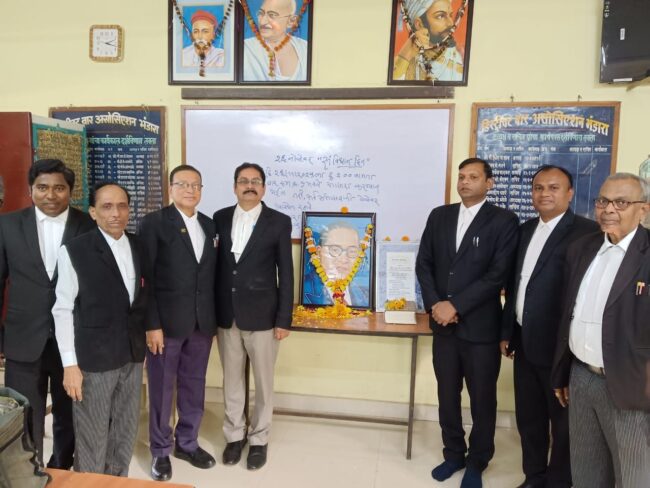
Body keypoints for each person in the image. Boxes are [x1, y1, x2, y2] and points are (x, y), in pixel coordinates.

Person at [415, 158, 518, 488]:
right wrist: (436, 304)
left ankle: (477, 461)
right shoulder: (439, 215)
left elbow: (497, 274)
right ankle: (454, 454)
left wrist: (455, 305)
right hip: (443, 326)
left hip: (481, 328)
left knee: (482, 399)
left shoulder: (504, 220)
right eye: (461, 176)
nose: (464, 182)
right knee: (447, 394)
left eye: (473, 177)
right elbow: (424, 264)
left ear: (489, 183)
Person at [500, 166, 599, 488]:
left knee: (563, 425)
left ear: (570, 193)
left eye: (553, 188)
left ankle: (558, 482)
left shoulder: (587, 233)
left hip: (560, 349)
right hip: (524, 342)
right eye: (538, 187)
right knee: (529, 419)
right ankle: (534, 477)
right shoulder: (525, 229)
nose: (544, 194)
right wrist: (507, 332)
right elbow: (516, 285)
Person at [551, 173, 650, 488]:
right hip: (581, 376)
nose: (608, 209)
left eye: (621, 202)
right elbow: (567, 314)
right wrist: (562, 373)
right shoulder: (582, 248)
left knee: (632, 475)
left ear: (643, 210)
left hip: (630, 384)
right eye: (603, 201)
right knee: (586, 470)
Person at [0, 159, 95, 468]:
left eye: (59, 188)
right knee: (25, 411)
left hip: (74, 341)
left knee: (69, 412)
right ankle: (30, 470)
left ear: (70, 191)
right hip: (23, 337)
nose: (50, 195)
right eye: (42, 187)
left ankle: (61, 466)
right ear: (31, 190)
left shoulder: (88, 226)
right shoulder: (7, 225)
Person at [52, 182, 148, 476]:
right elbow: (62, 309)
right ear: (93, 212)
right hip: (94, 360)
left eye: (122, 206)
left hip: (131, 355)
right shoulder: (75, 250)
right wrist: (70, 365)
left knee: (124, 431)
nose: (115, 213)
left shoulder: (138, 246)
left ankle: (118, 481)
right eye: (107, 207)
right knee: (92, 438)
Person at [138, 165, 218, 481]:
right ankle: (160, 450)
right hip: (165, 325)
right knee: (161, 388)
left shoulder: (209, 225)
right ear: (171, 188)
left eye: (196, 185)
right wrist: (151, 324)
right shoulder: (154, 223)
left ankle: (187, 442)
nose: (190, 190)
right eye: (183, 184)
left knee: (194, 384)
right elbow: (145, 278)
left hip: (201, 323)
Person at [213, 162, 293, 470]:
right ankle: (234, 436)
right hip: (226, 315)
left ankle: (259, 439)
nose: (250, 186)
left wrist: (283, 319)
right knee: (231, 380)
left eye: (255, 181)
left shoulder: (279, 222)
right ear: (235, 187)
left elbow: (286, 273)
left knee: (263, 382)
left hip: (264, 317)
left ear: (263, 187)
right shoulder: (219, 218)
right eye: (244, 181)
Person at [302, 222, 370, 307]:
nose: (343, 259)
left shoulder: (365, 295)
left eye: (352, 251)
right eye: (335, 250)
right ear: (319, 252)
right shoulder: (304, 289)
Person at [393, 0, 464, 81]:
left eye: (450, 15)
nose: (450, 23)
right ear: (419, 24)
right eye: (440, 16)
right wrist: (406, 54)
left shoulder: (456, 58)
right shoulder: (406, 59)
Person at [243, 0, 308, 82]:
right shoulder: (245, 48)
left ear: (291, 21)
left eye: (272, 15)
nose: (262, 22)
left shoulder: (305, 48)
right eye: (261, 13)